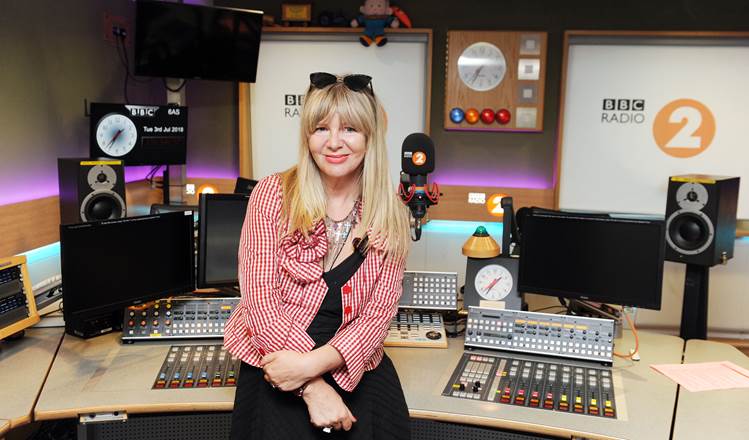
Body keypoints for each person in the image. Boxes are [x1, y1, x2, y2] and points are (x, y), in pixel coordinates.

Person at [224, 72, 412, 439]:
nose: (334, 143)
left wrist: (312, 366)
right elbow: (260, 301)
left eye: (350, 130)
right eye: (321, 128)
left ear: (370, 137)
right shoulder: (272, 194)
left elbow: (377, 317)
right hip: (277, 357)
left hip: (352, 363)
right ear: (307, 135)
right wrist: (312, 387)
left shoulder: (390, 211)